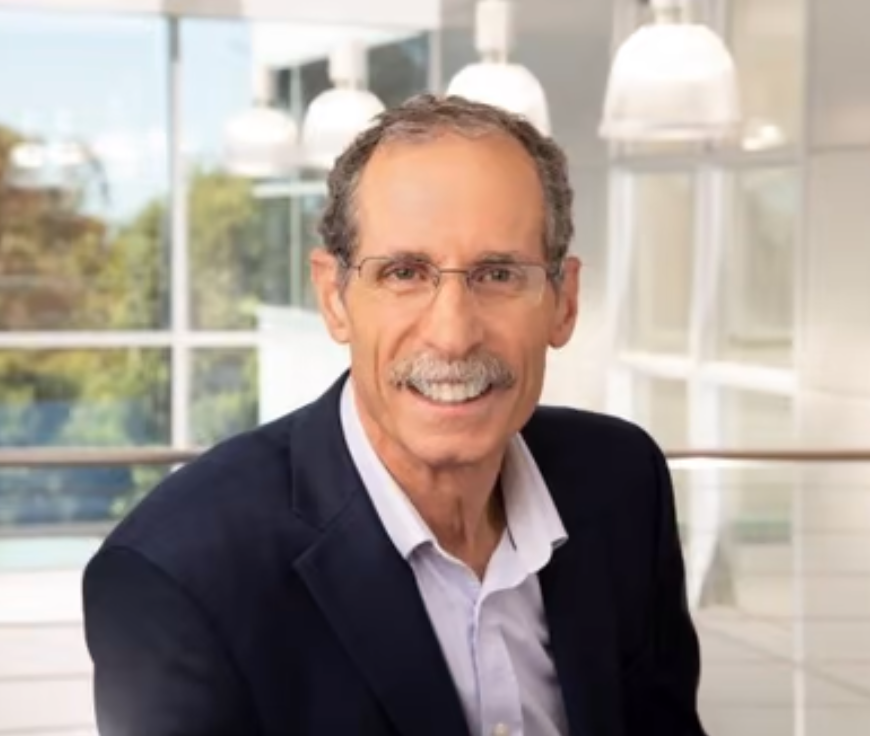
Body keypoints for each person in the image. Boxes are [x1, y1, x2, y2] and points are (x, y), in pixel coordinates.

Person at [83, 94, 708, 736]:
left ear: (564, 302)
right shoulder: (178, 575)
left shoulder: (622, 481)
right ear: (335, 299)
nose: (453, 335)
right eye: (405, 272)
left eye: (498, 274)